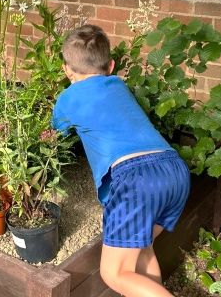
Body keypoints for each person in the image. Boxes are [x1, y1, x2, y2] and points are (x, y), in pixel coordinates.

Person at [52, 25, 190, 297]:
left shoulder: (68, 98)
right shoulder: (119, 85)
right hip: (173, 169)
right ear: (112, 65)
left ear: (67, 69)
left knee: (114, 273)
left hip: (135, 180)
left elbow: (55, 133)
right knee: (140, 247)